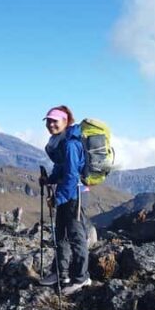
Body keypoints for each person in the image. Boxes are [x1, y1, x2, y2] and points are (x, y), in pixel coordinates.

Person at [38, 105, 91, 295]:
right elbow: (61, 168)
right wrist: (50, 180)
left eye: (55, 121)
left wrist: (58, 198)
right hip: (67, 193)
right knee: (61, 234)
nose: (51, 124)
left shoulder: (70, 144)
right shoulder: (62, 141)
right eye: (49, 121)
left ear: (66, 121)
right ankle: (61, 273)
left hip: (75, 195)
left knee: (76, 237)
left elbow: (71, 176)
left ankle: (81, 278)